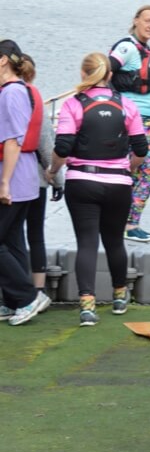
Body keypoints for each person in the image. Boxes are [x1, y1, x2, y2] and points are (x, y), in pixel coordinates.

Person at [47, 53, 149, 326]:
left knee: (87, 242)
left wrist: (52, 171)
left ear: (84, 74)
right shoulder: (127, 105)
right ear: (110, 76)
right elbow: (141, 149)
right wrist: (128, 168)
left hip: (82, 182)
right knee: (114, 240)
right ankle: (119, 296)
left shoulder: (73, 105)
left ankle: (87, 306)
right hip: (119, 184)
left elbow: (62, 148)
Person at [0, 39, 51, 326]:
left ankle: (28, 297)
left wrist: (4, 182)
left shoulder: (12, 93)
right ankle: (14, 300)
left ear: (2, 61)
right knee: (12, 240)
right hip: (22, 177)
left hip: (15, 178)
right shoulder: (16, 91)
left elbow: (13, 140)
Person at [109, 4, 150, 243]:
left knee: (135, 170)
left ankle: (119, 220)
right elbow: (106, 69)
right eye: (147, 20)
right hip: (133, 119)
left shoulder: (145, 50)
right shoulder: (127, 48)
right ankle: (130, 224)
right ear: (136, 20)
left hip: (147, 120)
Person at [19, 54, 65, 298]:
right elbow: (48, 147)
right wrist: (58, 181)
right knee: (35, 233)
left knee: (12, 236)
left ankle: (16, 287)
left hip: (14, 180)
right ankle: (38, 288)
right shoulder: (36, 102)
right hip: (36, 181)